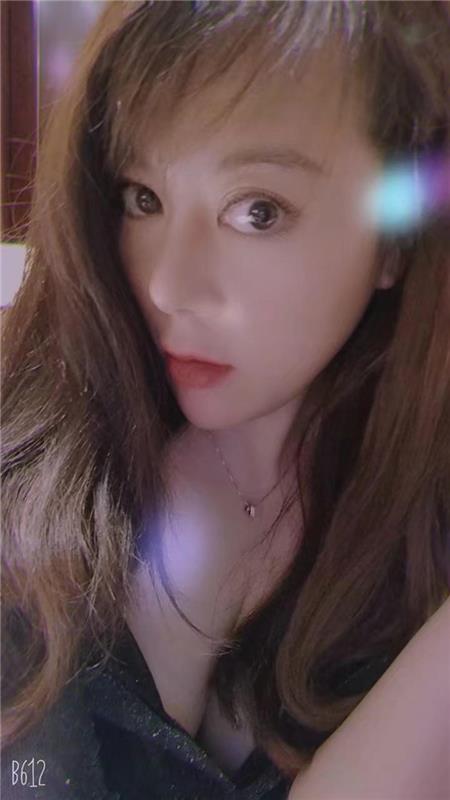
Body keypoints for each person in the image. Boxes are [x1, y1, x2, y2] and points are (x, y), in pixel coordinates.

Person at [1, 1, 449, 798]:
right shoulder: (36, 501)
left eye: (257, 211)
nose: (168, 286)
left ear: (394, 239)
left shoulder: (420, 502)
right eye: (143, 196)